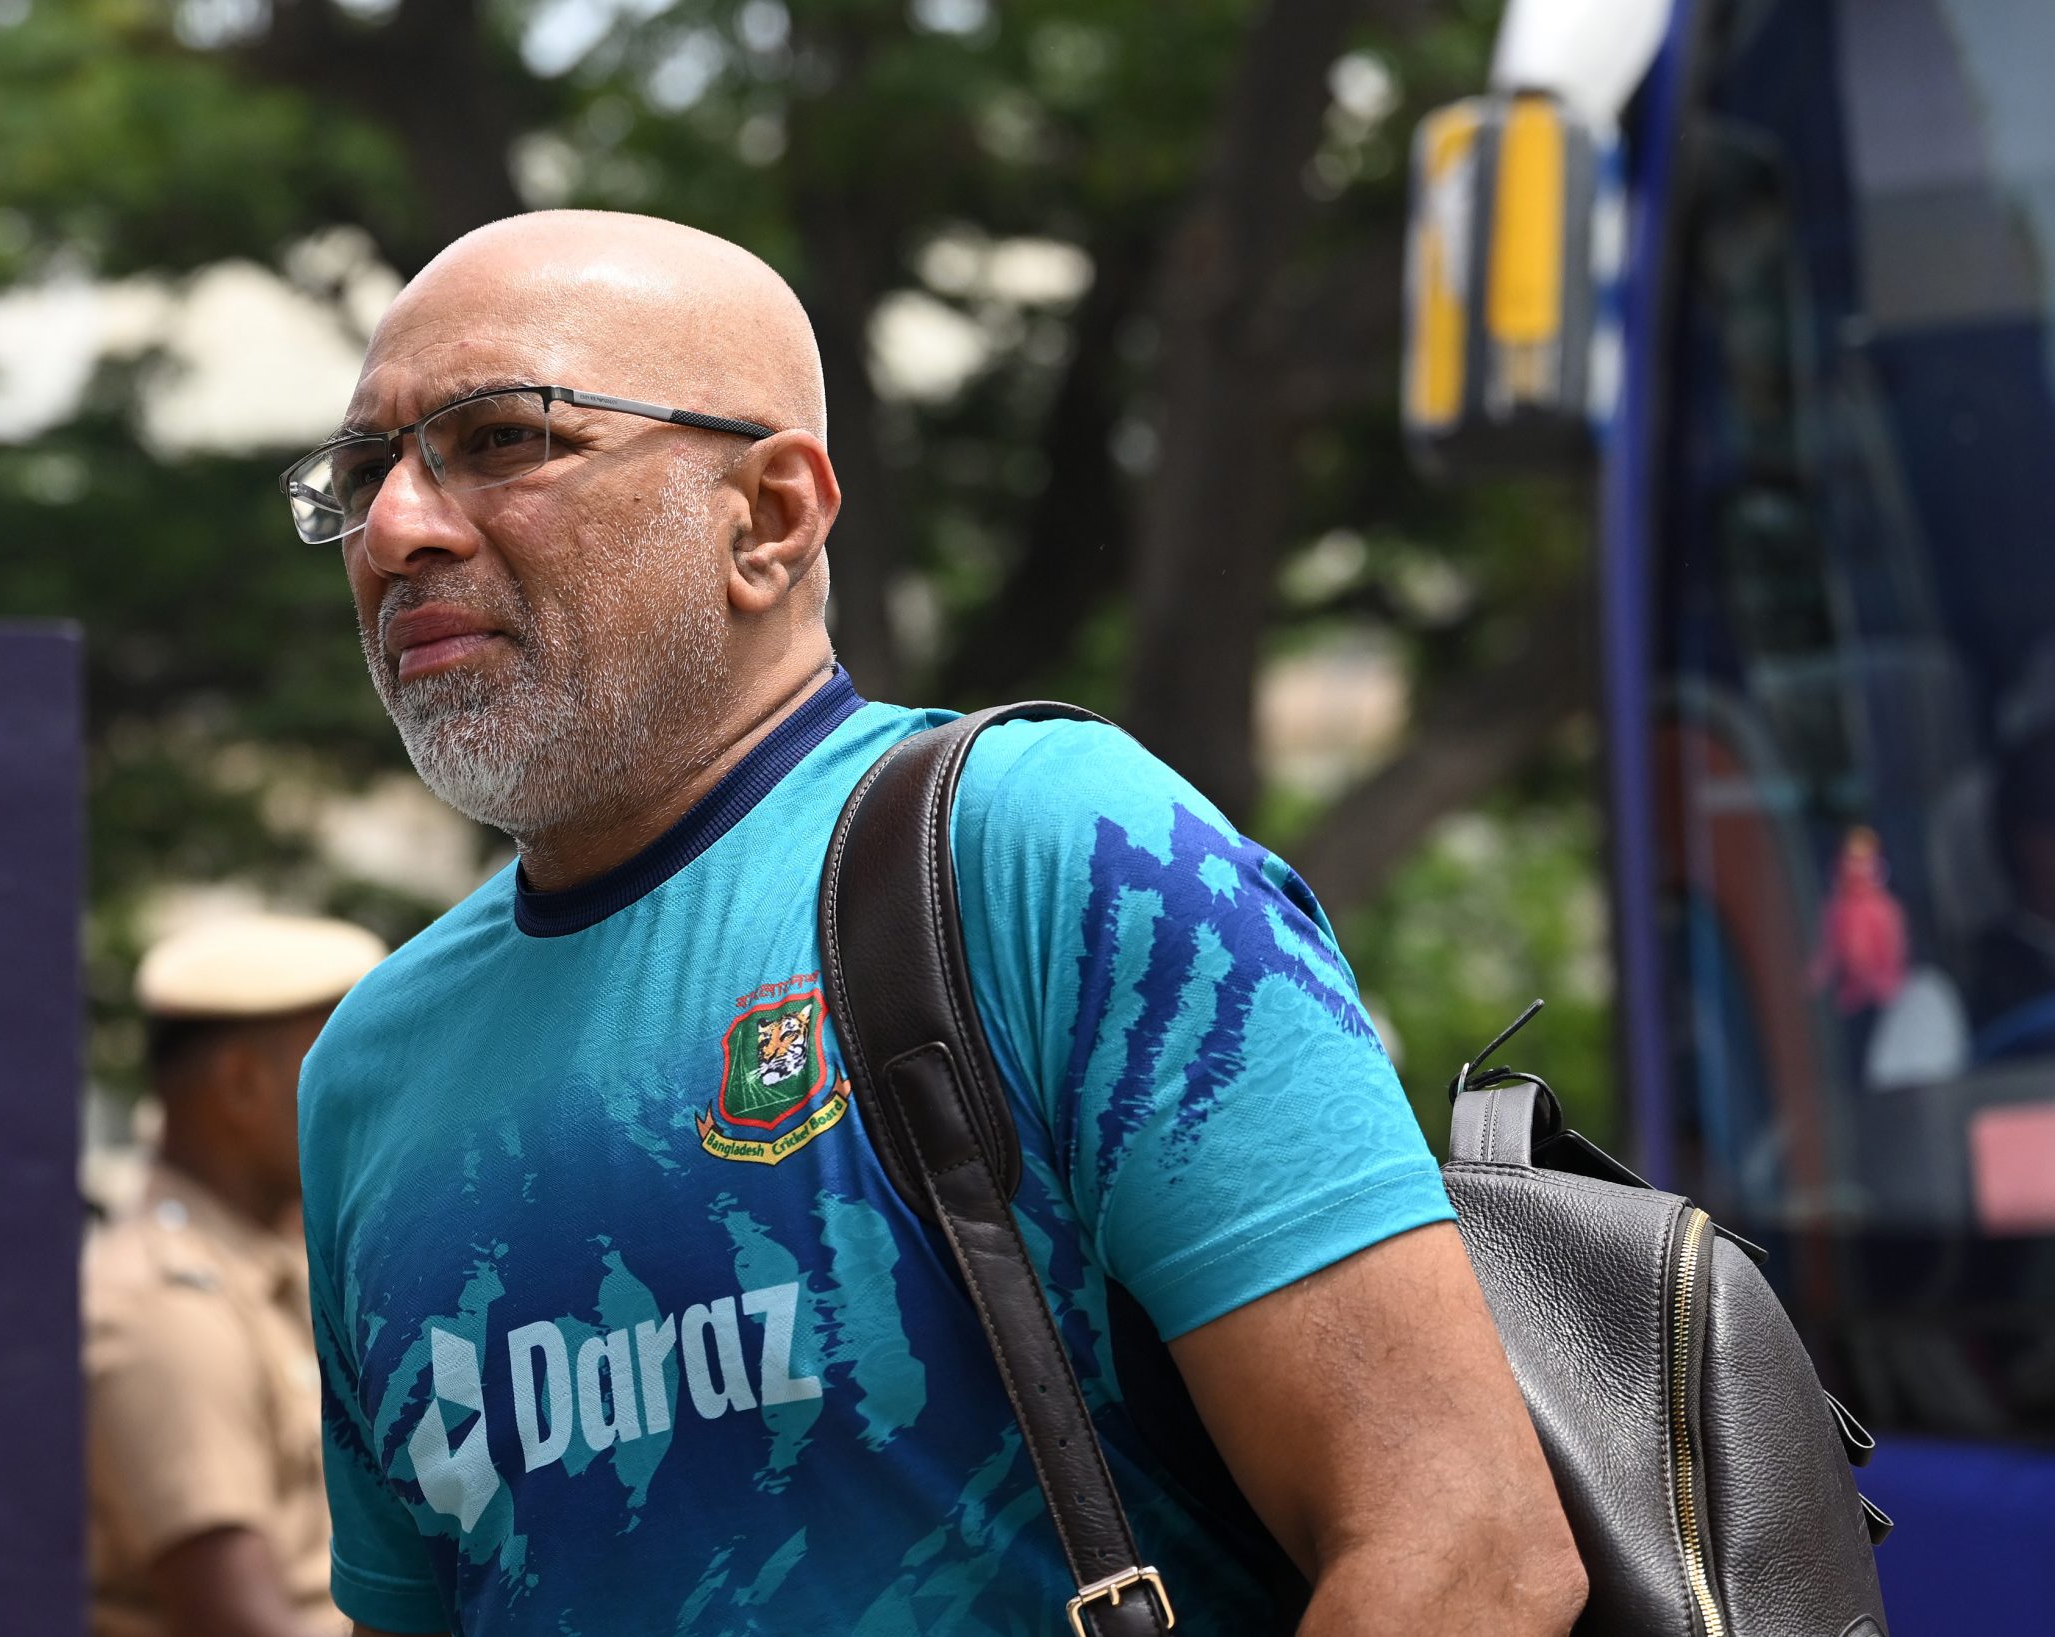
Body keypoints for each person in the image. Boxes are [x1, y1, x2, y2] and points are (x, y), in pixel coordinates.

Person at [291, 211, 1586, 1636]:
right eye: (363, 473)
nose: (399, 528)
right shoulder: (369, 1073)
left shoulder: (1045, 848)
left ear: (772, 516)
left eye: (504, 440)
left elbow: (1465, 1549)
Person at [87, 913, 387, 1637]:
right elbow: (236, 1618)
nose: (374, 1097)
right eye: (343, 1065)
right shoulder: (161, 1307)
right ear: (243, 1086)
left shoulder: (266, 1258)